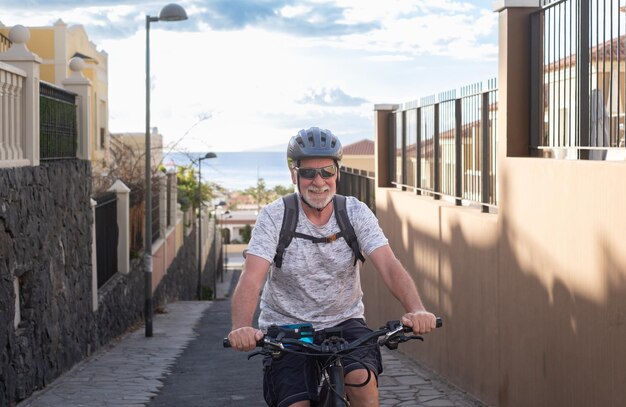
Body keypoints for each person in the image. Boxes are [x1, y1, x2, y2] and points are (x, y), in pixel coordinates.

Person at [227, 127, 437, 407]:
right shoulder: (275, 217)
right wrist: (241, 326)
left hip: (344, 322)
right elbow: (252, 278)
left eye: (326, 172)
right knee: (295, 404)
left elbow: (388, 265)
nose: (318, 181)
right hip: (288, 327)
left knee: (362, 383)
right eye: (308, 173)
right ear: (294, 175)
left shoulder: (355, 212)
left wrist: (417, 308)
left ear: (338, 173)